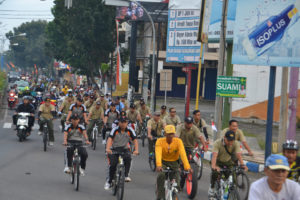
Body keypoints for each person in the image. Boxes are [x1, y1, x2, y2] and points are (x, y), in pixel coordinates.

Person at [155, 125, 192, 200]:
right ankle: (159, 195)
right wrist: (159, 165)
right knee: (161, 176)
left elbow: (183, 154)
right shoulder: (160, 141)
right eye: (169, 134)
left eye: (172, 134)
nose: (171, 136)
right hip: (163, 163)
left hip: (174, 163)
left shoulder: (178, 141)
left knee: (176, 185)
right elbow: (158, 154)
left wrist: (187, 167)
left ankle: (174, 195)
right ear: (165, 134)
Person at [208, 130, 248, 198]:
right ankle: (212, 188)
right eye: (228, 140)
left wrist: (242, 164)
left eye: (232, 140)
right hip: (218, 161)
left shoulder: (235, 143)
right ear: (224, 138)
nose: (230, 142)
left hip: (228, 162)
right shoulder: (217, 143)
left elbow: (238, 155)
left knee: (233, 177)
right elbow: (214, 156)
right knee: (215, 173)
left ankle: (232, 193)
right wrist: (214, 166)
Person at [104, 117, 139, 190]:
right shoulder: (115, 129)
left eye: (125, 122)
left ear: (127, 123)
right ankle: (109, 181)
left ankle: (126, 175)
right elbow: (110, 139)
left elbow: (135, 139)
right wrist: (107, 148)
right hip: (114, 149)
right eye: (121, 122)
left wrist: (136, 150)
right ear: (118, 122)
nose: (123, 124)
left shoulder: (130, 130)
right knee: (113, 164)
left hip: (124, 148)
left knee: (128, 158)